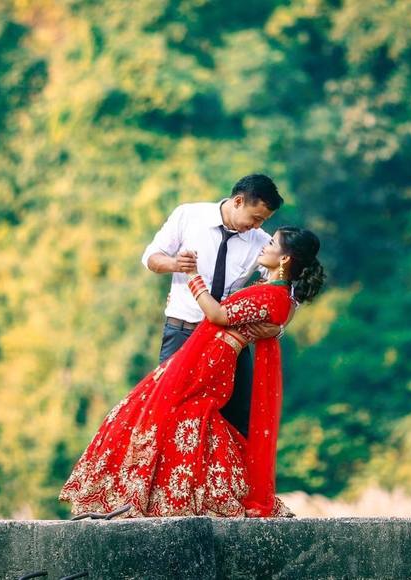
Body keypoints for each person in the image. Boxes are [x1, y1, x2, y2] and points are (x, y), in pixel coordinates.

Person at [59, 226, 325, 518]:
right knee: (161, 409)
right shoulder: (275, 291)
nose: (265, 245)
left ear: (285, 259)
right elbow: (282, 308)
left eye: (272, 242)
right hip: (204, 351)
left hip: (213, 361)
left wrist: (193, 275)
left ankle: (171, 495)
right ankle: (151, 494)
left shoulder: (274, 295)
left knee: (182, 415)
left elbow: (218, 315)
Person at [141, 174, 284, 438]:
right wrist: (175, 264)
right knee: (170, 416)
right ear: (238, 201)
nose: (256, 226)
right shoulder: (188, 215)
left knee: (237, 422)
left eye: (262, 221)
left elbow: (282, 288)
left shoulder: (261, 242)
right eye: (255, 218)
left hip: (229, 341)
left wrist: (278, 327)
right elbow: (151, 257)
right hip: (183, 332)